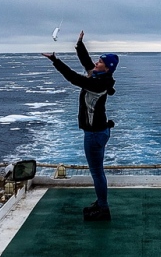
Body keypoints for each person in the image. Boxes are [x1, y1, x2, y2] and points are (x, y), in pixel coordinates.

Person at [42, 31, 119, 221]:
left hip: (95, 134)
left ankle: (103, 209)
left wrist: (55, 61)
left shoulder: (99, 84)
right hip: (99, 131)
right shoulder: (98, 77)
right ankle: (101, 203)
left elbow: (73, 78)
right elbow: (87, 63)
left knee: (97, 172)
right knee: (97, 171)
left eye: (100, 62)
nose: (96, 63)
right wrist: (79, 44)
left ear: (107, 68)